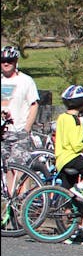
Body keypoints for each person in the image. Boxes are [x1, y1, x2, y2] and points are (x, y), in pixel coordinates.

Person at [2, 44, 40, 194]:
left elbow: (34, 104)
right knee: (7, 169)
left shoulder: (26, 81)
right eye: (3, 60)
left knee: (20, 169)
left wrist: (26, 128)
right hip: (4, 132)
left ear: (15, 61)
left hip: (20, 131)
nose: (6, 63)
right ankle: (12, 202)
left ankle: (24, 202)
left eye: (9, 60)